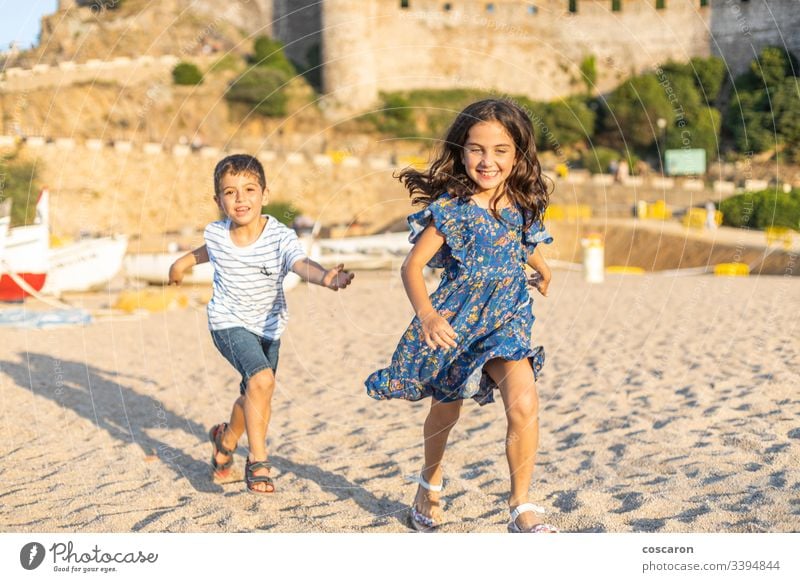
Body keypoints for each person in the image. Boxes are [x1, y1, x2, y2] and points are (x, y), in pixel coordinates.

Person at [364, 99, 557, 533]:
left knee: (525, 405)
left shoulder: (520, 204)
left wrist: (542, 269)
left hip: (508, 320)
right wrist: (429, 316)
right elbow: (412, 267)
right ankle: (429, 481)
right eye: (476, 149)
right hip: (457, 325)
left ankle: (520, 505)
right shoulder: (452, 208)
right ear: (461, 150)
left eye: (500, 150)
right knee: (445, 413)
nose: (487, 161)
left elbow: (523, 243)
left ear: (518, 154)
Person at [169, 154, 354, 494]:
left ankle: (224, 442)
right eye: (230, 192)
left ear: (265, 194)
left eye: (249, 189)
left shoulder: (280, 238)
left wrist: (326, 277)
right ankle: (258, 461)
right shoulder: (216, 233)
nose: (240, 199)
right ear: (218, 200)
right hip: (227, 323)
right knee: (262, 380)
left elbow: (299, 264)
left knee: (255, 394)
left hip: (269, 327)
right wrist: (181, 264)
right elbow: (208, 250)